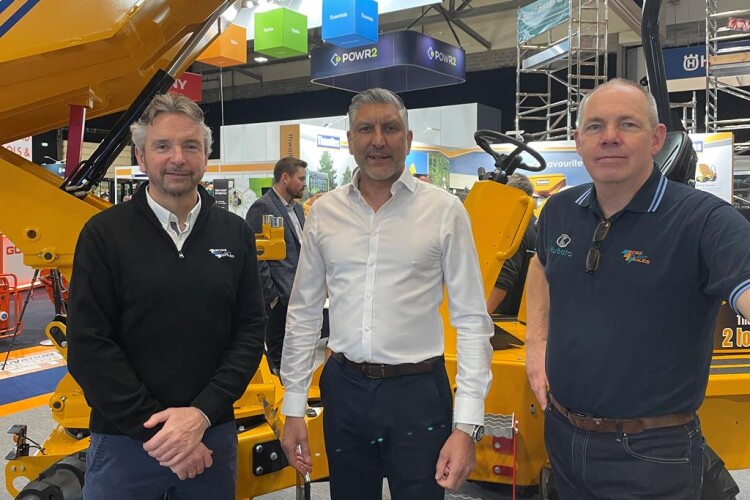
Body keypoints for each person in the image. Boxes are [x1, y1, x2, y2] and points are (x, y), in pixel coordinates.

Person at [526, 78, 750, 499]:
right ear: (577, 141)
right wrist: (536, 341)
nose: (609, 138)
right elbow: (540, 266)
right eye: (595, 127)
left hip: (652, 453)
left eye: (627, 124)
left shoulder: (705, 221)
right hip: (563, 436)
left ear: (656, 138)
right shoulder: (559, 210)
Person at [279, 88, 493, 499]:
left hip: (418, 395)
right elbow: (303, 312)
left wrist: (466, 426)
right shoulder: (324, 213)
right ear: (350, 140)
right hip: (344, 390)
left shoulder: (445, 211)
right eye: (366, 129)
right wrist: (292, 408)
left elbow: (471, 321)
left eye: (390, 128)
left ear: (408, 139)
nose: (378, 140)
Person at [67, 93, 267, 499]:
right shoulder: (104, 234)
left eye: (190, 146)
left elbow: (249, 332)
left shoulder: (235, 234)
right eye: (163, 146)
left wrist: (200, 416)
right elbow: (89, 346)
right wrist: (161, 433)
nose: (177, 157)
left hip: (210, 435)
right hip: (125, 442)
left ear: (206, 156)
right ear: (141, 157)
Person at [245, 157, 307, 372]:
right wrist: (272, 297)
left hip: (299, 297)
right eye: (301, 178)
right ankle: (282, 403)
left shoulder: (298, 210)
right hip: (279, 299)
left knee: (297, 355)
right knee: (278, 357)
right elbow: (256, 255)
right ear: (285, 178)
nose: (305, 183)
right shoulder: (263, 207)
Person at [487, 172, 537, 316]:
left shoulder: (515, 227)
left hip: (500, 317)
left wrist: (476, 323)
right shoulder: (535, 225)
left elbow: (502, 281)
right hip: (521, 315)